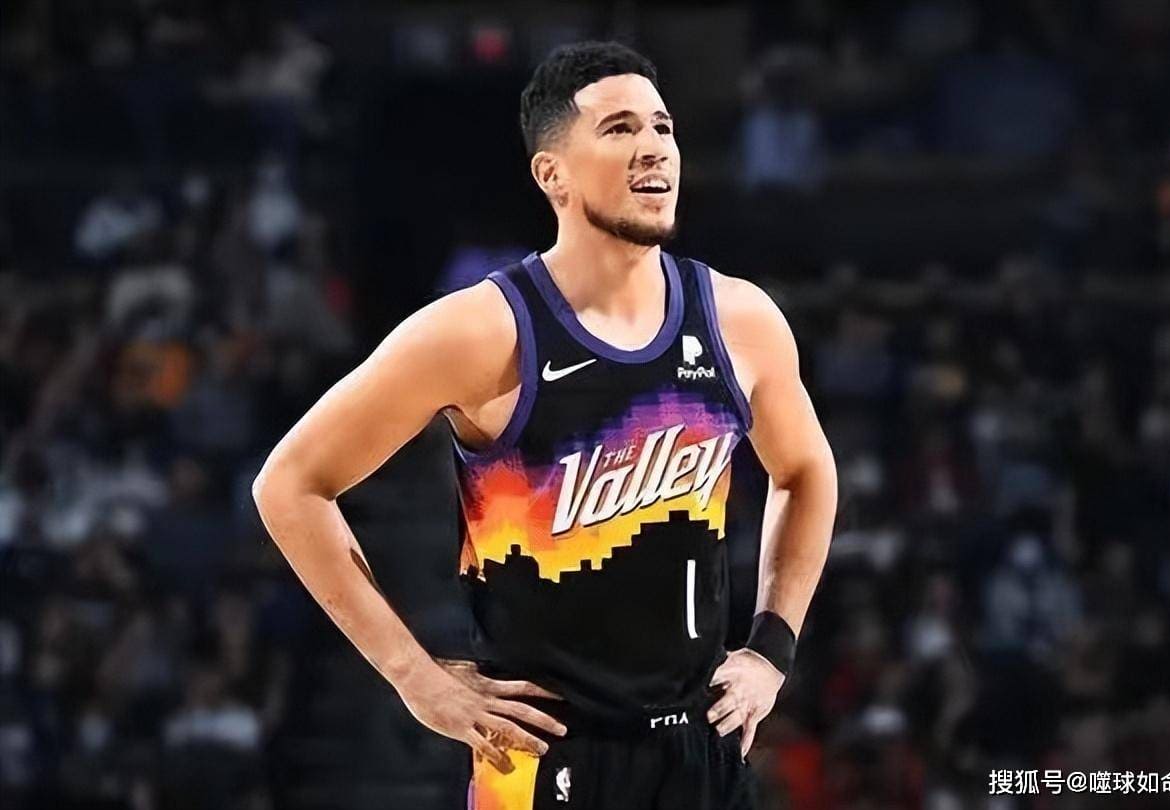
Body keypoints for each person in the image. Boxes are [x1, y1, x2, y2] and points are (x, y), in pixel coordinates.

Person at [252, 41, 837, 809]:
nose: (654, 147)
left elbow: (806, 471)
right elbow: (290, 485)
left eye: (662, 127)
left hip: (700, 751)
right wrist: (413, 675)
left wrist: (770, 650)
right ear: (552, 173)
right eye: (620, 129)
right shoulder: (482, 330)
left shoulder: (741, 319)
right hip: (542, 758)